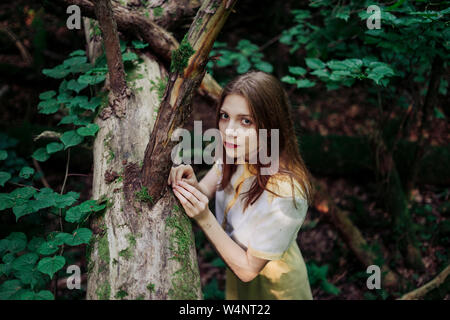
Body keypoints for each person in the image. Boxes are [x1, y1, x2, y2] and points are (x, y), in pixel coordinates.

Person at [167, 70, 314, 299]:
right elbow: (204, 191)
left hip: (277, 288)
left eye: (246, 121)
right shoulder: (235, 153)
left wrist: (204, 217)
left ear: (271, 125)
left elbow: (248, 270)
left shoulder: (287, 193)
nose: (229, 131)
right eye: (225, 116)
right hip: (236, 269)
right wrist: (189, 183)